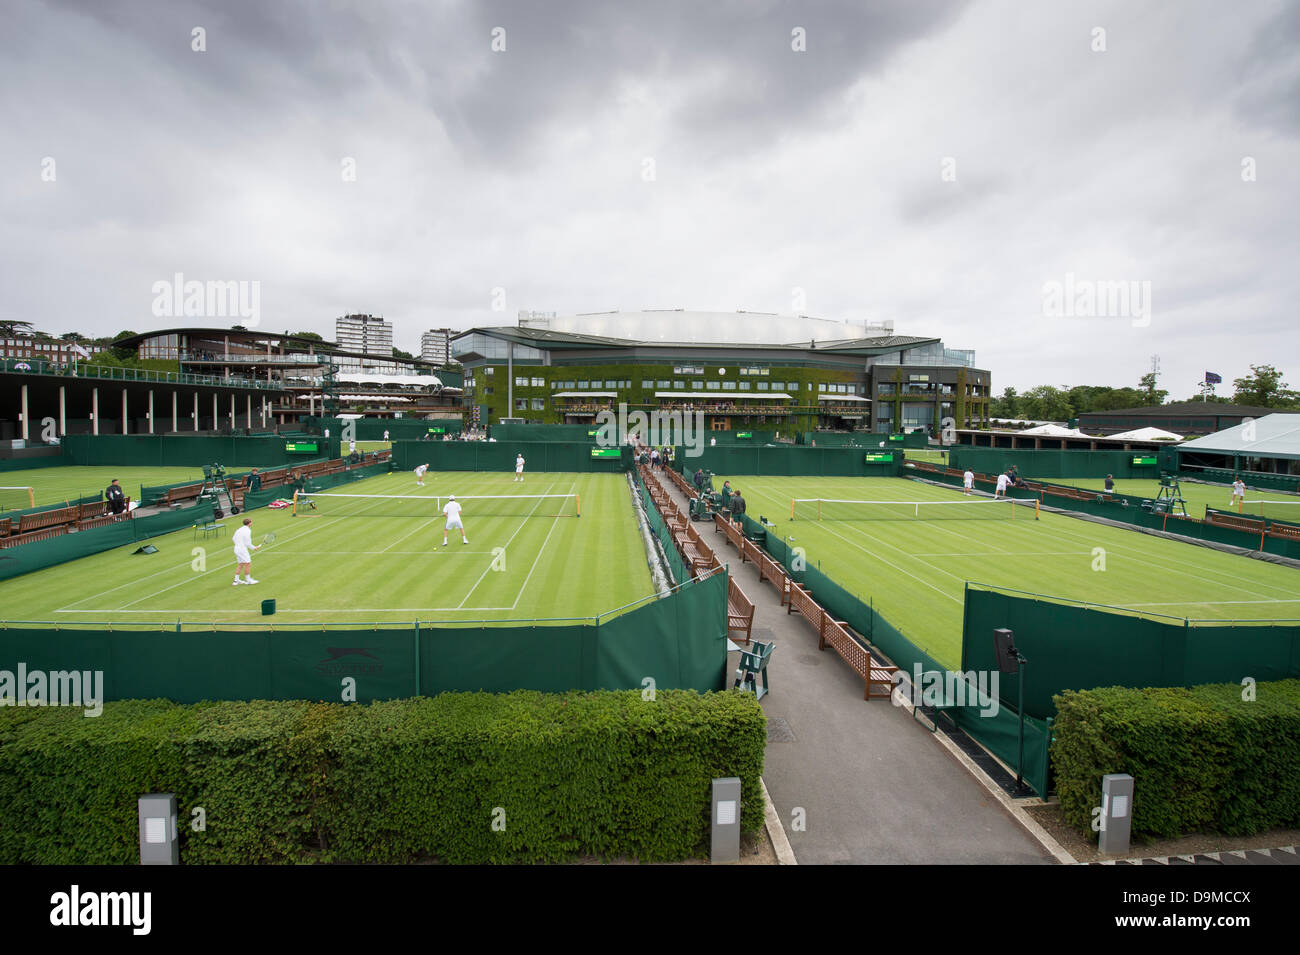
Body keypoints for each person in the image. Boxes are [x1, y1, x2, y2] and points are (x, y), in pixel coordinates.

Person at [232, 517, 260, 586]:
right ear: (249, 523)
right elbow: (248, 543)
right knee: (248, 564)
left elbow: (233, 538)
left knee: (241, 564)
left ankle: (236, 580)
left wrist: (238, 544)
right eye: (251, 522)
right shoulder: (248, 531)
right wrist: (254, 548)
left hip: (236, 548)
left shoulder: (239, 529)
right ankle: (248, 580)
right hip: (242, 550)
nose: (252, 523)